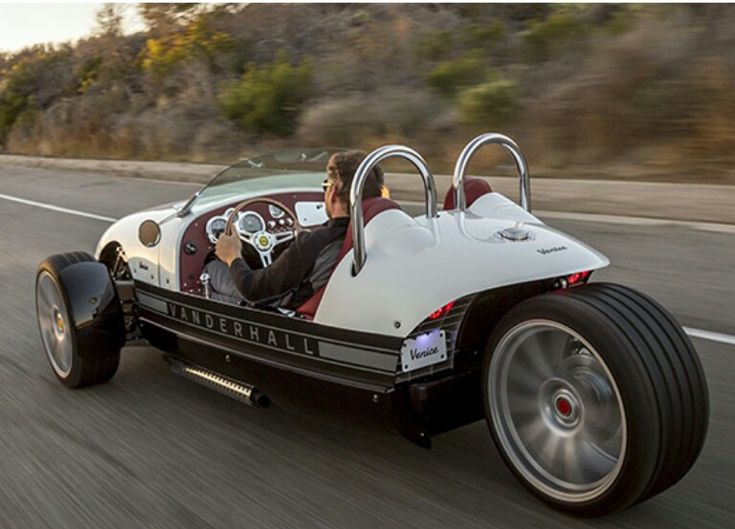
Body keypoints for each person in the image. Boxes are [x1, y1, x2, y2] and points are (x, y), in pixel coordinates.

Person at [205, 150, 385, 309]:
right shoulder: (375, 234)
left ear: (333, 193)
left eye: (326, 187)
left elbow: (253, 290)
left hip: (287, 309)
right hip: (341, 306)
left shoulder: (313, 244)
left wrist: (232, 255)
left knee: (212, 268)